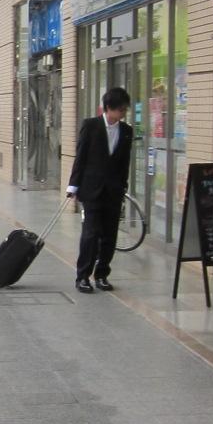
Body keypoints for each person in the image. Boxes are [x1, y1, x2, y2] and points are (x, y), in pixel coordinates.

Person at [67, 87, 134, 294]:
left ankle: (102, 274)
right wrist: (73, 185)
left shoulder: (126, 131)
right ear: (108, 109)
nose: (123, 114)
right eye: (120, 110)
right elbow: (81, 157)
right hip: (91, 189)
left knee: (109, 235)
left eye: (124, 110)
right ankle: (83, 276)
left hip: (113, 191)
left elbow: (124, 162)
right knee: (91, 233)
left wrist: (123, 186)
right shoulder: (91, 126)